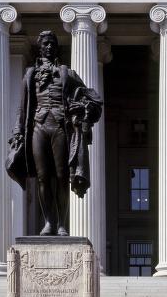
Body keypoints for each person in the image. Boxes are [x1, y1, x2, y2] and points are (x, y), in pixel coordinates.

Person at [6, 31, 103, 236]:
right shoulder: (30, 75)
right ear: (40, 48)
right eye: (46, 44)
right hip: (38, 127)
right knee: (43, 177)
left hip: (60, 126)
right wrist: (17, 132)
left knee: (61, 176)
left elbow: (93, 99)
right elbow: (22, 109)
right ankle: (48, 222)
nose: (49, 47)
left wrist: (82, 110)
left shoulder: (67, 73)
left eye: (52, 44)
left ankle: (61, 224)